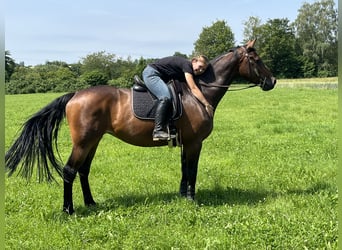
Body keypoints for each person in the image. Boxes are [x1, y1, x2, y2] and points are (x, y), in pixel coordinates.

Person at [142, 55, 214, 141]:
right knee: (165, 97)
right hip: (152, 73)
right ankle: (158, 131)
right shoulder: (187, 65)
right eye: (200, 67)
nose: (200, 70)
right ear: (194, 61)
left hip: (160, 75)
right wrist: (206, 104)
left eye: (203, 69)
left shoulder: (186, 67)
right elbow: (193, 88)